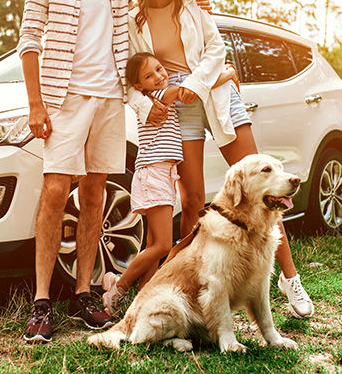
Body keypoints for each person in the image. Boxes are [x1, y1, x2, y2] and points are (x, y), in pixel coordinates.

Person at [124, 0, 315, 319]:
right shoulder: (131, 18)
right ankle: (193, 284)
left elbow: (215, 49)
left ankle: (290, 279)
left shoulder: (195, 6)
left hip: (214, 94)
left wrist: (196, 84)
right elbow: (126, 73)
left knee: (265, 186)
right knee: (193, 202)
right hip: (177, 107)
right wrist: (147, 105)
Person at [17, 0, 130, 343]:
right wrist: (36, 104)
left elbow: (144, 19)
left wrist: (197, 2)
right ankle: (41, 301)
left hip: (110, 98)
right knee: (55, 190)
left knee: (95, 193)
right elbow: (29, 40)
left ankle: (83, 294)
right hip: (63, 98)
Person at [101, 52, 239, 316]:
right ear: (139, 87)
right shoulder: (159, 96)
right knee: (162, 246)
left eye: (160, 69)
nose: (158, 77)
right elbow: (191, 90)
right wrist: (228, 74)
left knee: (153, 245)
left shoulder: (157, 95)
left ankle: (141, 302)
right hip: (154, 174)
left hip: (161, 174)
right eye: (149, 76)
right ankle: (118, 286)